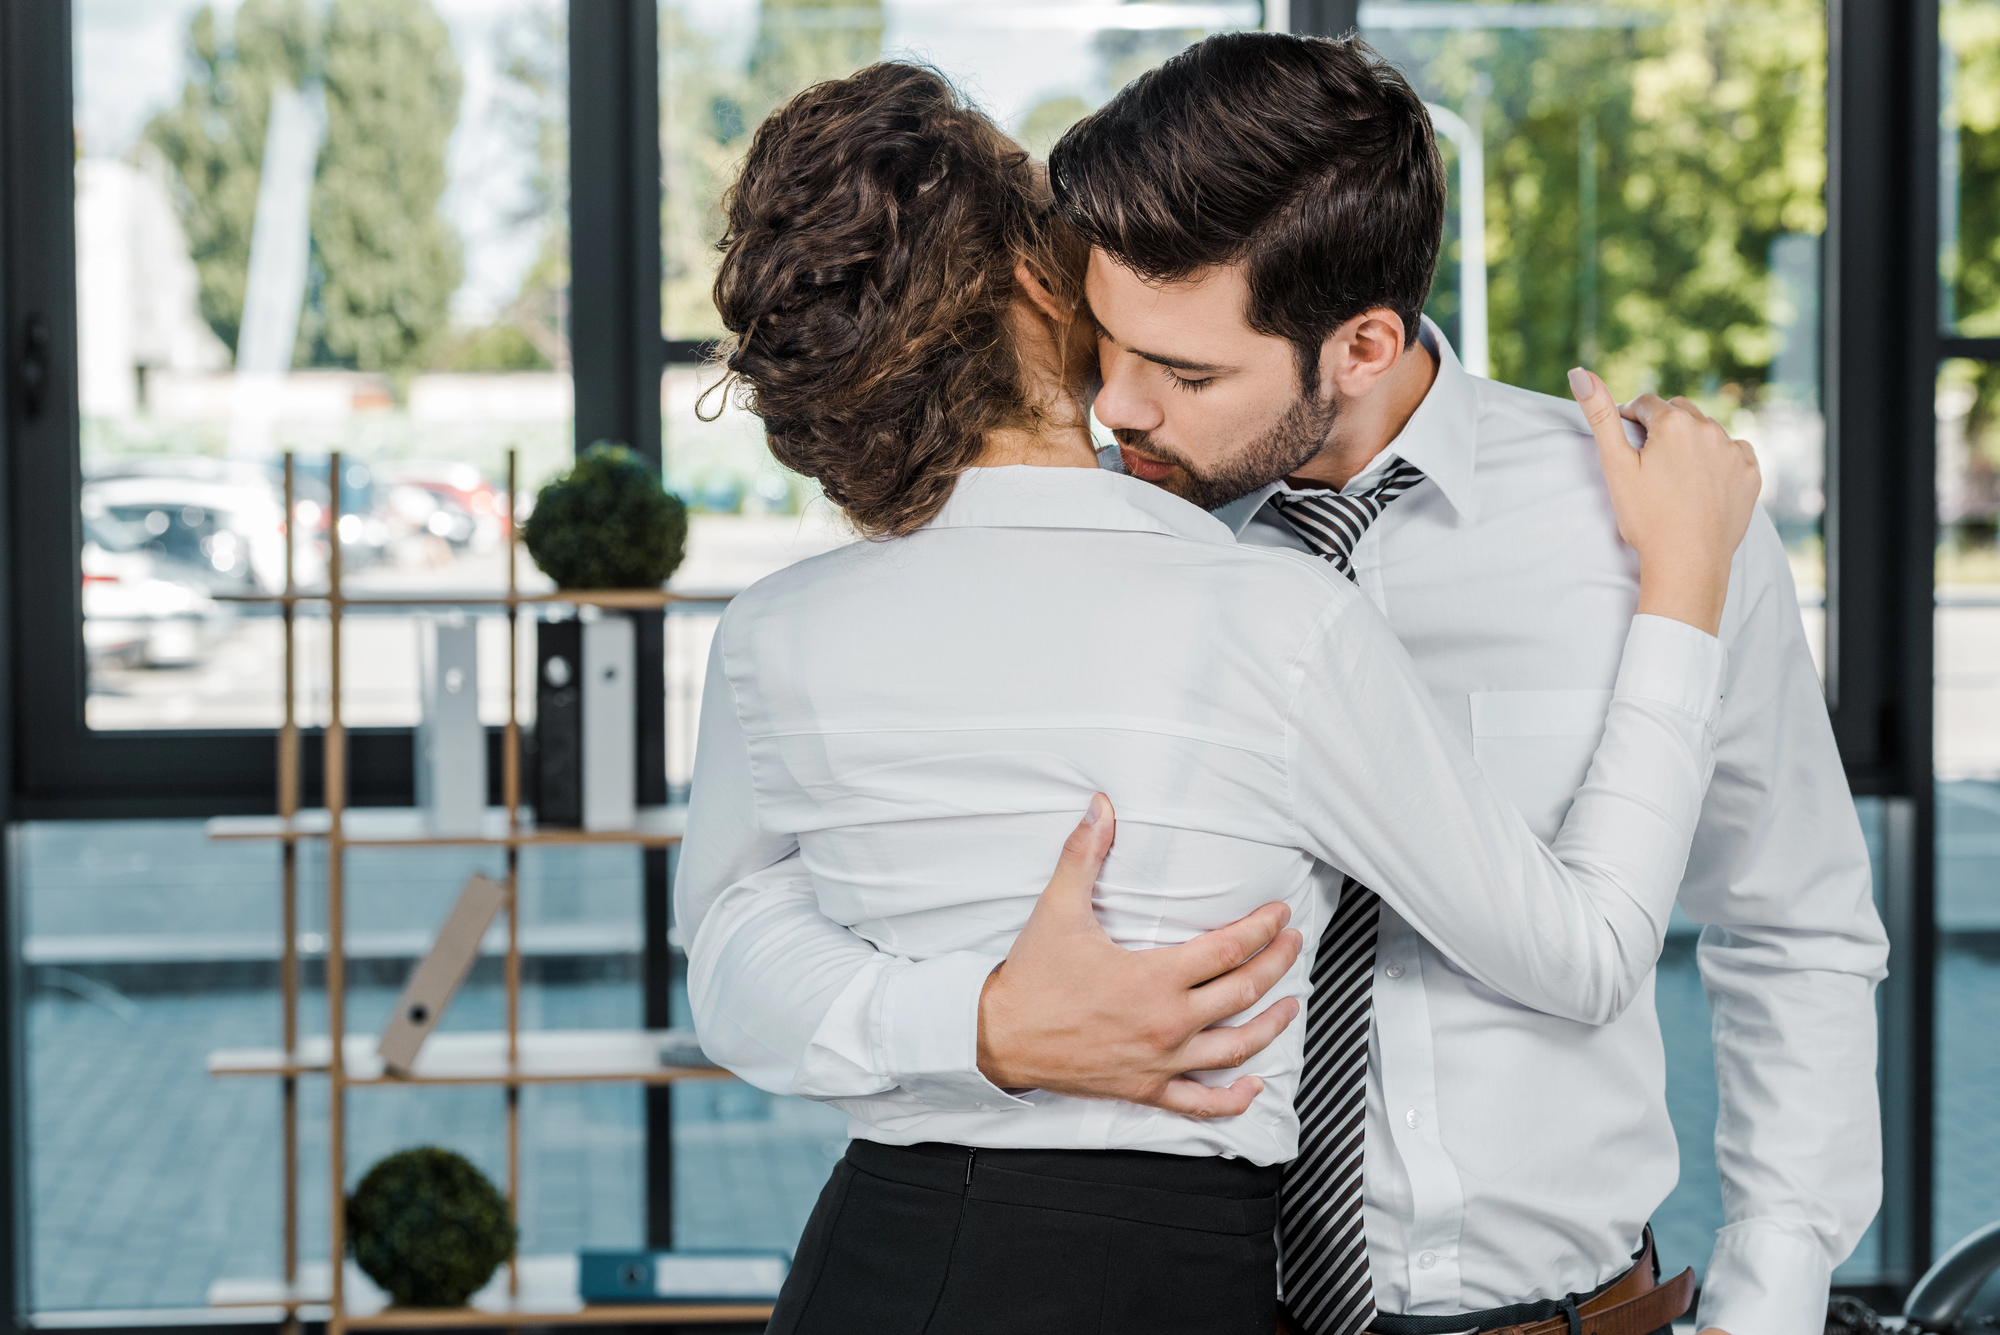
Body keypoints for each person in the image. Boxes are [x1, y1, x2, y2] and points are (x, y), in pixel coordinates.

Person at [677, 57, 1764, 1335]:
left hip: (873, 1262)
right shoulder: (1267, 610)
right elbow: (1580, 957)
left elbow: (731, 955)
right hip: (1159, 1279)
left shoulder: (775, 630)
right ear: (1040, 283)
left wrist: (969, 1025)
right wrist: (1683, 588)